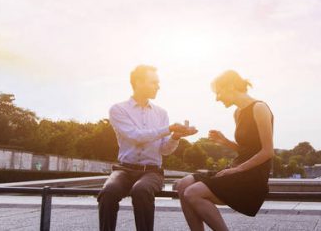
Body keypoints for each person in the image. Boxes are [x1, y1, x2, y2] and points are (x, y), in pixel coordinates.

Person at [98, 65, 197, 231]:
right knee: (108, 192)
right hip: (124, 170)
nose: (158, 86)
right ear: (138, 82)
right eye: (154, 82)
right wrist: (169, 129)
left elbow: (164, 150)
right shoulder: (118, 109)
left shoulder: (161, 113)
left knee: (141, 190)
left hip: (152, 172)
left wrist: (175, 137)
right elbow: (136, 136)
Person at [176, 70, 274, 231]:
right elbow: (246, 150)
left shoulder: (259, 108)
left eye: (218, 92)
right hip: (237, 170)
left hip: (252, 176)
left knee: (192, 193)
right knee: (183, 184)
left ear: (230, 86)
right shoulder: (238, 112)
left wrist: (235, 170)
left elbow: (267, 151)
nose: (217, 98)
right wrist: (225, 142)